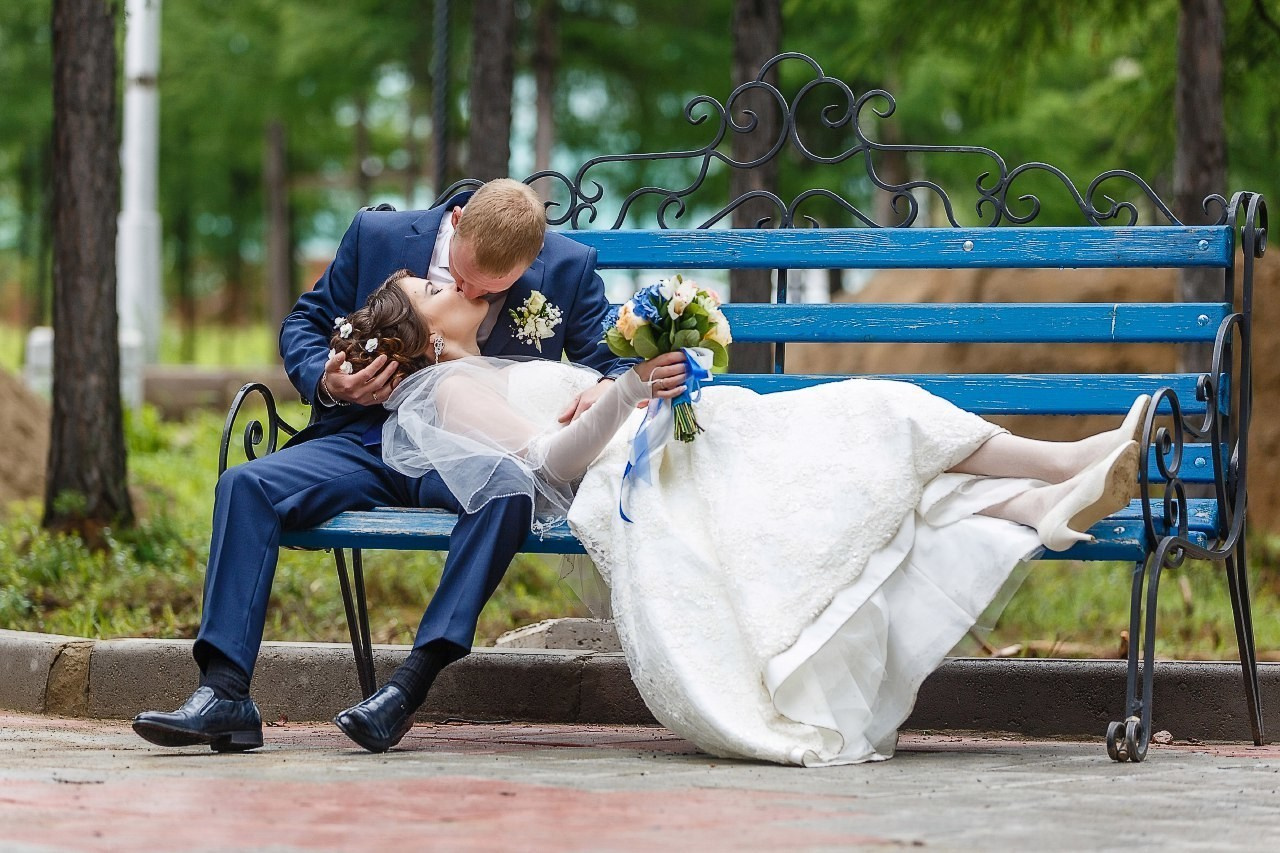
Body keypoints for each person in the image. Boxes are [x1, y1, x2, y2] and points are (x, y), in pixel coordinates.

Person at [328, 268, 1150, 764]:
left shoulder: (499, 361)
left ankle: (1056, 485)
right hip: (653, 476)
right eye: (433, 289)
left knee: (873, 435)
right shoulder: (455, 390)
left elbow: (569, 425)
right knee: (877, 417)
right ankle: (1065, 466)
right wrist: (623, 386)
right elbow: (550, 465)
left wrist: (621, 384)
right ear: (424, 339)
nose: (454, 283)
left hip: (678, 439)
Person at [132, 179, 635, 754]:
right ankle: (224, 692)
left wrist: (602, 385)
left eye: (490, 288)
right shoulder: (379, 236)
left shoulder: (569, 268)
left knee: (509, 493)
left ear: (531, 261)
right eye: (463, 275)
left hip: (467, 453)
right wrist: (328, 378)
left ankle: (407, 688)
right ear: (458, 218)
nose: (469, 290)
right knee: (245, 484)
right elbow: (305, 324)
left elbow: (611, 360)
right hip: (363, 440)